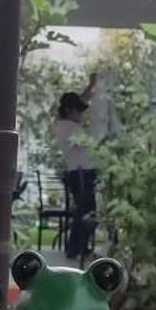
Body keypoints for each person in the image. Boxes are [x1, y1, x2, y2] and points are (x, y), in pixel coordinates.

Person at [53, 74, 100, 261]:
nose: (81, 114)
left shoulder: (68, 124)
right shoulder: (67, 128)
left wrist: (91, 86)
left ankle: (80, 248)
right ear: (68, 110)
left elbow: (80, 101)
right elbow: (88, 142)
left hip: (83, 173)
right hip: (80, 174)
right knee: (84, 212)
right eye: (78, 111)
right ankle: (77, 249)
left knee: (85, 211)